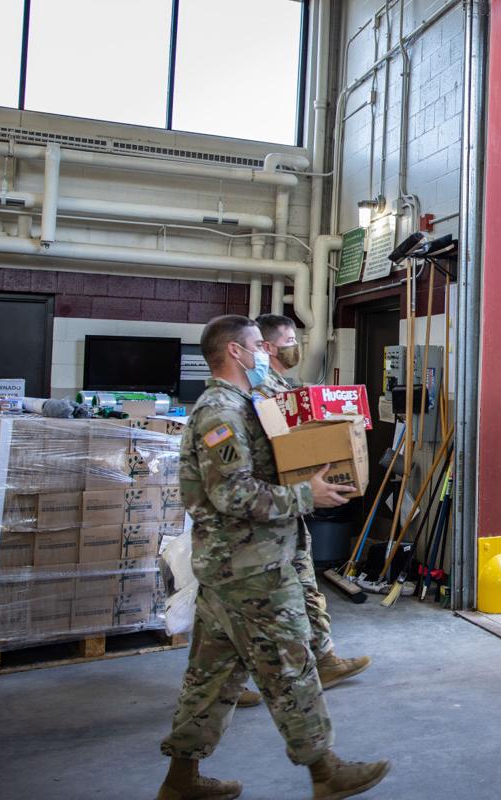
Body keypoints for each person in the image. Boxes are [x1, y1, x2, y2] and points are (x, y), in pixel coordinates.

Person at [157, 315, 389, 800]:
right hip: (252, 567)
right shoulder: (220, 413)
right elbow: (233, 495)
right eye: (256, 347)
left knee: (213, 676)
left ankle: (181, 779)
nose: (266, 354)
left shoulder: (246, 403)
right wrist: (308, 496)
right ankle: (325, 771)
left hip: (234, 566)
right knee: (292, 666)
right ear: (235, 353)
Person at [215, 313, 370, 709]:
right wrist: (302, 492)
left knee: (298, 593)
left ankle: (322, 660)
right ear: (258, 348)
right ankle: (254, 689)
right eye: (284, 339)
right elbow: (236, 483)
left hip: (282, 515)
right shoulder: (240, 400)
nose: (290, 345)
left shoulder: (278, 386)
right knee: (247, 615)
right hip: (251, 529)